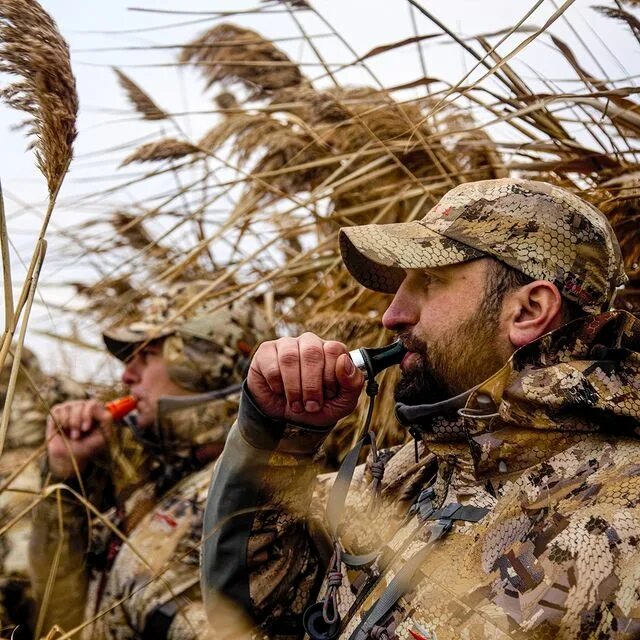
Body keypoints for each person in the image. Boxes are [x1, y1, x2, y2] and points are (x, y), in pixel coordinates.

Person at [201, 179, 640, 640]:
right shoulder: (410, 473)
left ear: (529, 310)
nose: (392, 315)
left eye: (429, 280)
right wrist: (278, 434)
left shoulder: (624, 520)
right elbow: (249, 608)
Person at [29, 281, 271, 640]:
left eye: (146, 355)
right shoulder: (149, 477)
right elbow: (57, 615)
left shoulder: (249, 489)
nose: (127, 375)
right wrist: (66, 477)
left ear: (204, 362)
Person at [0, 347, 85, 638]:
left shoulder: (56, 387)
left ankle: (27, 614)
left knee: (24, 555)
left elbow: (84, 431)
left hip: (37, 475)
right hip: (14, 479)